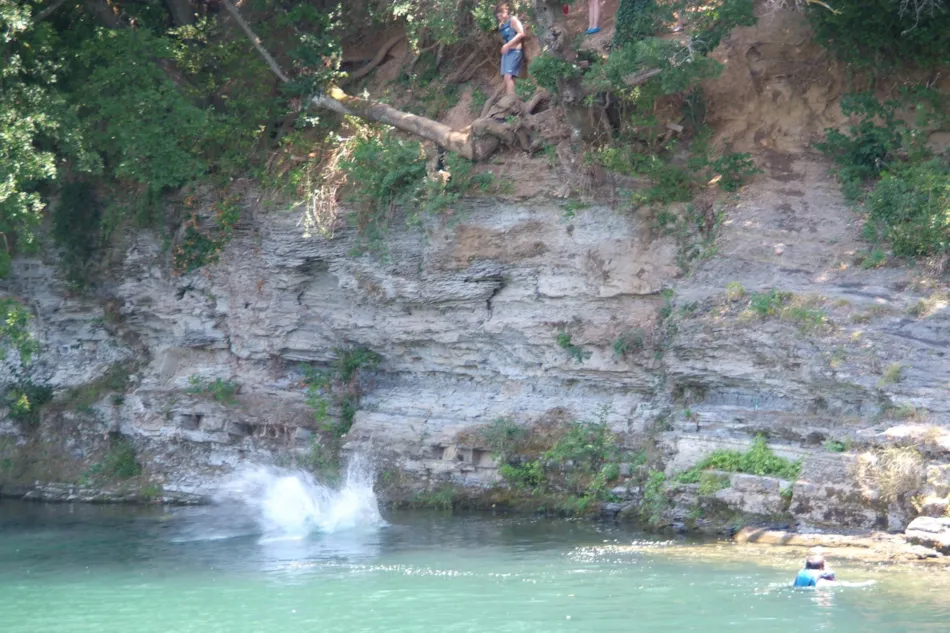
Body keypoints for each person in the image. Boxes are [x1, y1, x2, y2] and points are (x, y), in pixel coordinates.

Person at [496, 3, 525, 96]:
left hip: (515, 51)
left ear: (506, 11)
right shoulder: (501, 25)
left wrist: (508, 45)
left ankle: (511, 100)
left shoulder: (513, 20)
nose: (500, 16)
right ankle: (510, 97)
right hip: (506, 53)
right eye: (498, 15)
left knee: (508, 77)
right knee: (505, 78)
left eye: (501, 14)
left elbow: (521, 33)